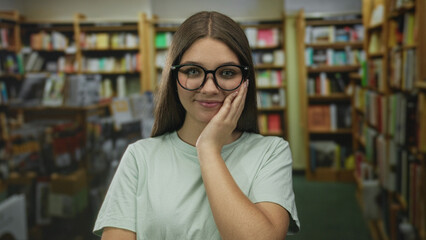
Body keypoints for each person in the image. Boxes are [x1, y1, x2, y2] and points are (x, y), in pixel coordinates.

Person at [93, 11, 300, 239]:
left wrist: (209, 149)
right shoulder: (139, 157)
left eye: (227, 72)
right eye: (193, 71)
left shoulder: (271, 152)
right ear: (174, 78)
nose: (209, 88)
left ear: (246, 80)